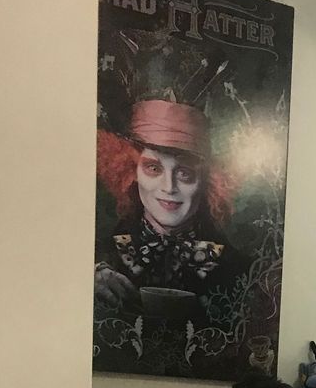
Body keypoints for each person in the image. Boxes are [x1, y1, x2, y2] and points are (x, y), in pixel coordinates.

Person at [94, 99, 248, 321]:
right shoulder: (98, 258)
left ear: (207, 182)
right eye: (153, 168)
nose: (169, 187)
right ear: (131, 172)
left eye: (185, 173)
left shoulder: (241, 271)